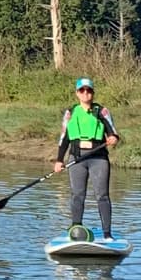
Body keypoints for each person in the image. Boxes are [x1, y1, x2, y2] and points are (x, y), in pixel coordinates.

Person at [52, 75, 121, 237]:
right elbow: (64, 138)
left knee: (102, 195)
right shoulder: (70, 113)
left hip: (99, 159)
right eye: (82, 90)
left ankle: (107, 234)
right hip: (76, 159)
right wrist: (59, 160)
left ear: (93, 93)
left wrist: (113, 139)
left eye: (89, 90)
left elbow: (113, 133)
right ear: (77, 93)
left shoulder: (101, 111)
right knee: (77, 194)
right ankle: (76, 230)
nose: (85, 93)